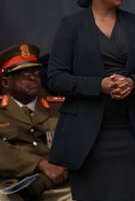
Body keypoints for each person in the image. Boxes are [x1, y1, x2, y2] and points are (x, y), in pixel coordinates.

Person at [47, 0, 135, 201]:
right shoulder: (72, 26)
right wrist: (99, 85)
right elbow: (55, 78)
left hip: (130, 132)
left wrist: (132, 83)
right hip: (86, 138)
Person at [0, 43, 71, 201]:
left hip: (57, 184)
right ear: (5, 82)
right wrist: (40, 164)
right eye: (23, 74)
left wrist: (48, 177)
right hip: (10, 187)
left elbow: (78, 145)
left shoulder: (59, 108)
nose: (32, 77)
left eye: (35, 72)